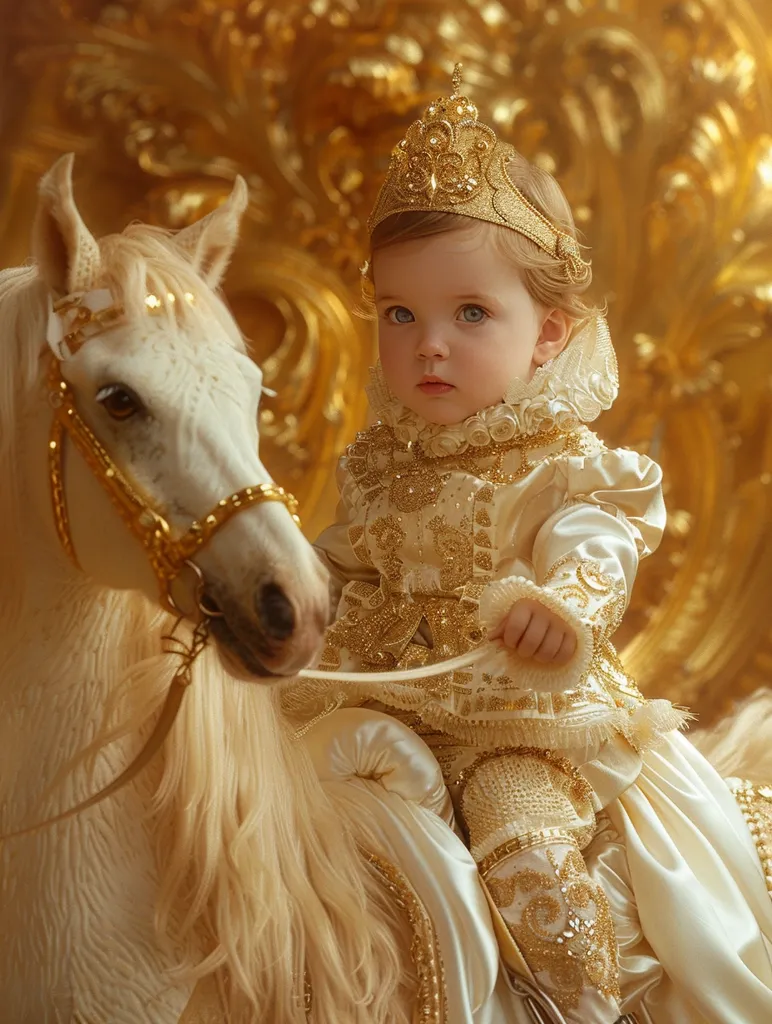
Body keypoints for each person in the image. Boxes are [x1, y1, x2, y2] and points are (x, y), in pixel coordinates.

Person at [284, 66, 772, 1023]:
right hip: (377, 707)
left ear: (548, 333)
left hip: (516, 725)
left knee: (530, 860)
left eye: (470, 313)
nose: (429, 344)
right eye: (400, 314)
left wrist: (564, 609)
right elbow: (339, 565)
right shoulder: (380, 465)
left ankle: (580, 1008)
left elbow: (599, 541)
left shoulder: (557, 462)